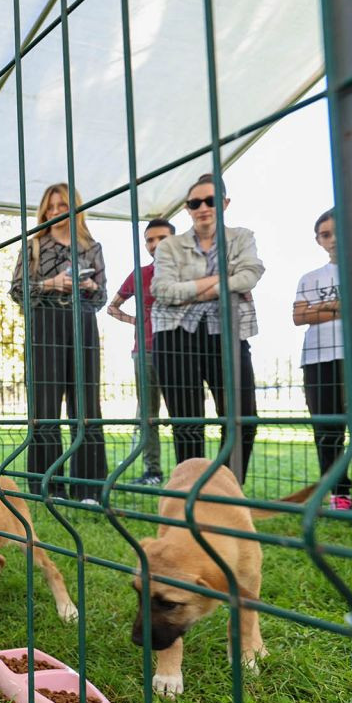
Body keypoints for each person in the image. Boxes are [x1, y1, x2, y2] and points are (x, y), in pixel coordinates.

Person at [151, 173, 264, 481]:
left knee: (242, 418)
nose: (203, 207)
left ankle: (228, 488)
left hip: (227, 332)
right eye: (194, 202)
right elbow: (162, 290)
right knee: (187, 422)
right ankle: (192, 491)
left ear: (224, 203)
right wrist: (223, 281)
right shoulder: (169, 246)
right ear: (187, 208)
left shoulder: (242, 237)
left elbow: (251, 274)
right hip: (175, 336)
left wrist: (192, 289)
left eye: (210, 201)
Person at [9, 185, 108, 501]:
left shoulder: (91, 247)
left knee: (87, 406)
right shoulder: (35, 245)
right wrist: (52, 283)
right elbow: (16, 290)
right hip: (44, 325)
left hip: (82, 324)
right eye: (50, 207)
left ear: (75, 207)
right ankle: (48, 487)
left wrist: (90, 285)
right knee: (45, 406)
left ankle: (89, 488)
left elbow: (102, 297)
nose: (55, 212)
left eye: (62, 205)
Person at [293, 208, 352, 510]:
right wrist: (339, 305)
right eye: (325, 235)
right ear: (318, 240)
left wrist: (321, 309)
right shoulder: (310, 278)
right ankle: (339, 493)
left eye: (337, 232)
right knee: (327, 430)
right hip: (318, 360)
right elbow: (298, 316)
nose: (332, 240)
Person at [107, 217, 175, 486]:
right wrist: (136, 321)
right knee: (148, 414)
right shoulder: (140, 274)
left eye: (162, 238)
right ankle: (153, 472)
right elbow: (112, 307)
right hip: (144, 350)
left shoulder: (187, 271)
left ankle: (189, 468)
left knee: (182, 411)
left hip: (180, 349)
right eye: (150, 240)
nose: (155, 244)